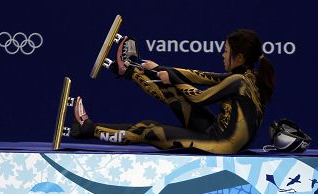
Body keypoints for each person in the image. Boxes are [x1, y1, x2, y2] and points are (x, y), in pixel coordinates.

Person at [71, 28, 275, 154]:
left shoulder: (239, 81)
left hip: (220, 146)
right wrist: (160, 69)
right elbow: (200, 76)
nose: (222, 55)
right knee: (173, 89)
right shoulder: (248, 77)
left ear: (239, 58)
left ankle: (89, 129)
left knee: (150, 130)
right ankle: (128, 69)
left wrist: (172, 77)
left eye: (226, 51)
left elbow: (199, 98)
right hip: (216, 133)